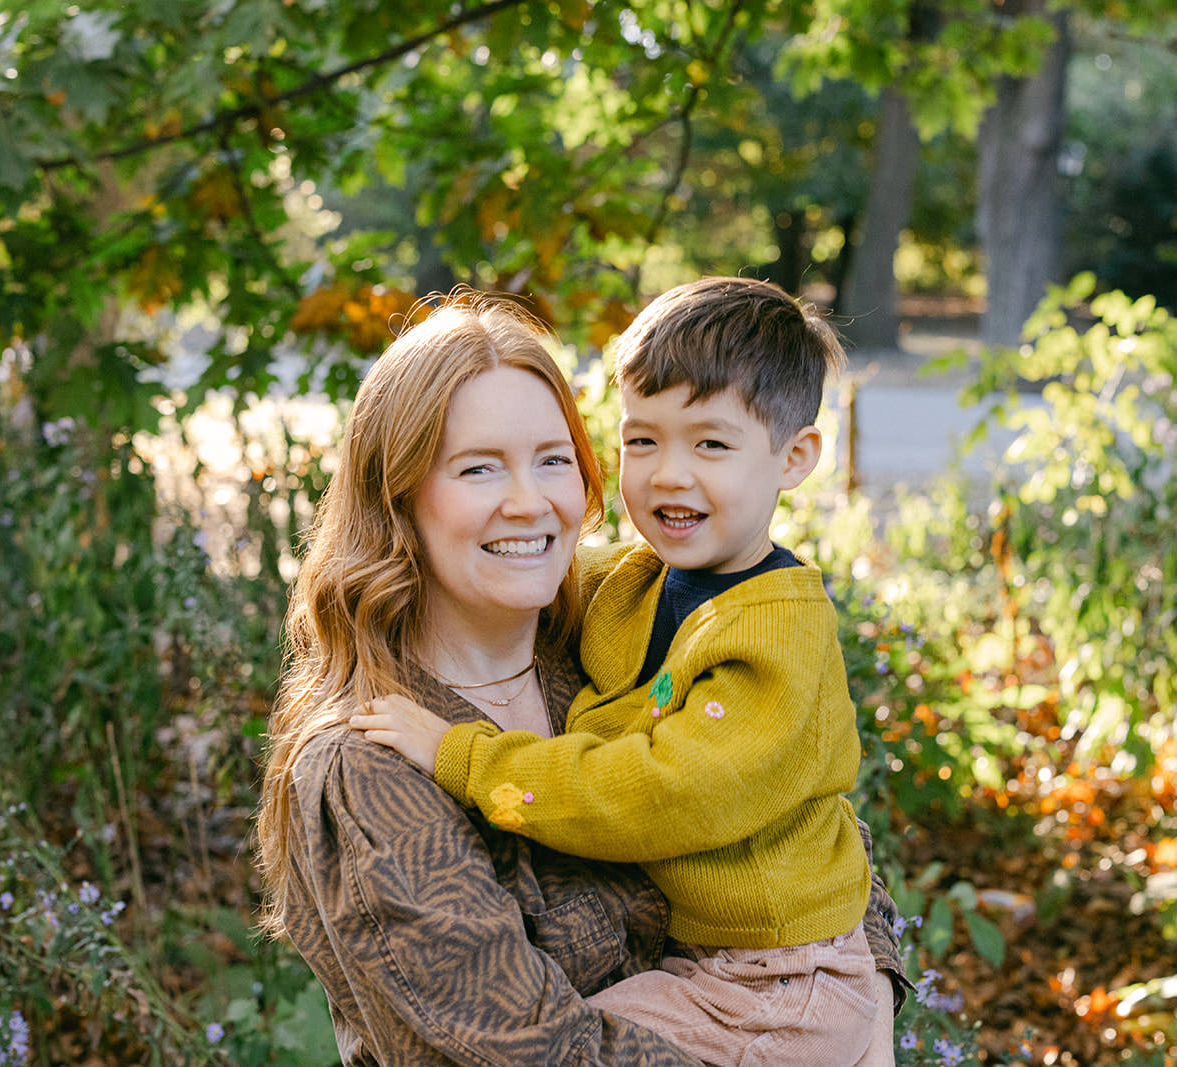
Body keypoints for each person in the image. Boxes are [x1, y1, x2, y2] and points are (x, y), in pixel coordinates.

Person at [257, 293, 906, 1066]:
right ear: (397, 497)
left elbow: (807, 821)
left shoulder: (596, 642)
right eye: (478, 467)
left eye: (553, 459)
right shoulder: (372, 759)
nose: (530, 503)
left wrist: (860, 1010)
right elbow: (540, 1052)